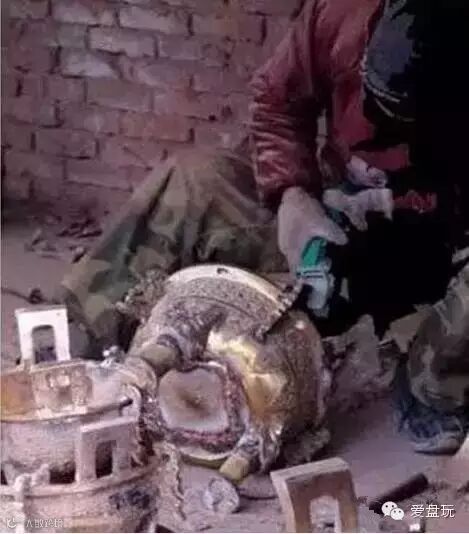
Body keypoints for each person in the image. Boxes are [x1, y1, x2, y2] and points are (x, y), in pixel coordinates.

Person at [57, 0, 468, 454]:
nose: (375, 129)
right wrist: (292, 193)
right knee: (194, 179)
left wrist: (401, 205)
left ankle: (432, 389)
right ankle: (76, 354)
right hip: (330, 219)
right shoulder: (341, 11)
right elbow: (277, 100)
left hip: (437, 253)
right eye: (377, 99)